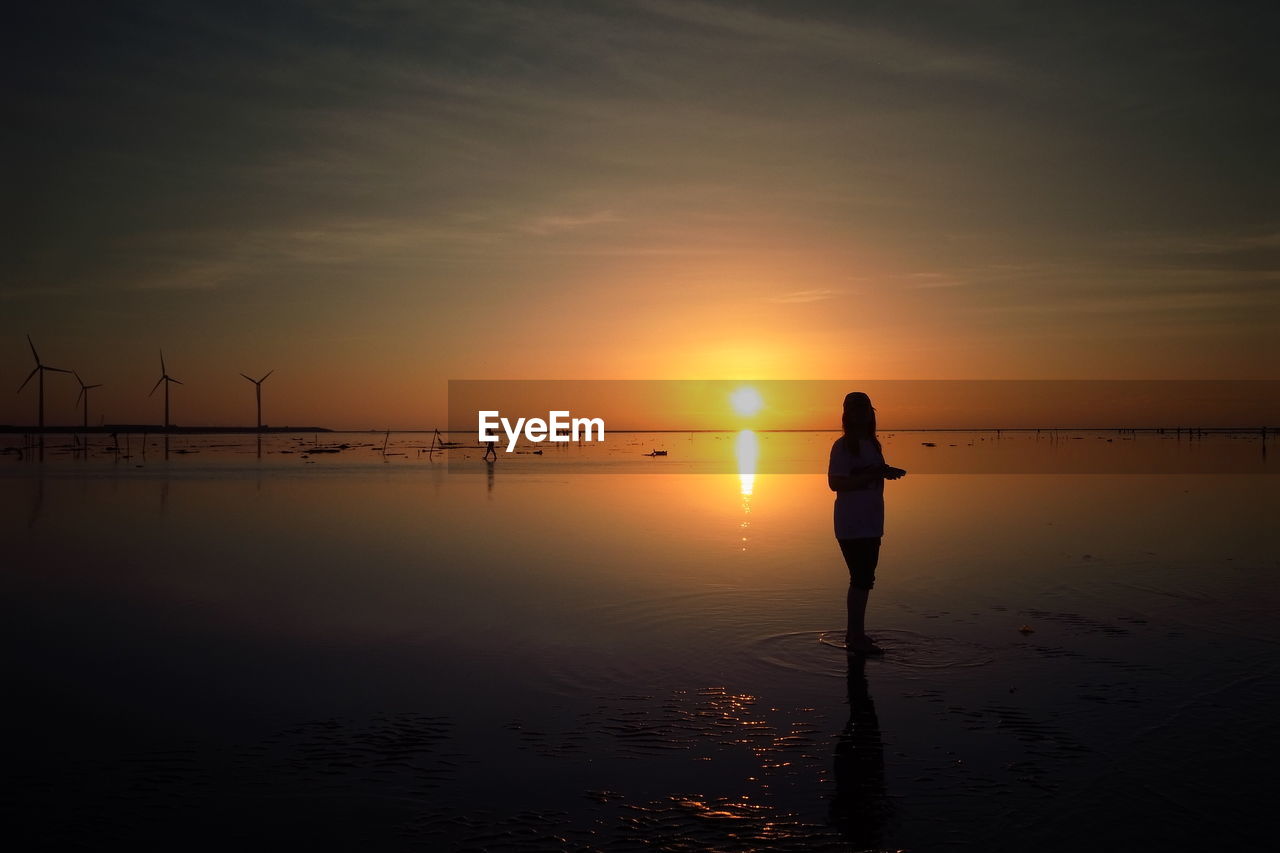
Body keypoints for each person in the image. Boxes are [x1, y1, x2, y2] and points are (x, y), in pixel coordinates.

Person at [828, 392, 906, 655]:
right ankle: (855, 636)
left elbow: (866, 473)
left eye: (866, 410)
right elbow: (835, 483)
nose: (863, 414)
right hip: (851, 523)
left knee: (865, 579)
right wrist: (873, 474)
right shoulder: (842, 446)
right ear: (847, 415)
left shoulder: (872, 444)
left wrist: (885, 471)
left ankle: (855, 633)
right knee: (860, 578)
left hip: (872, 521)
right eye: (857, 410)